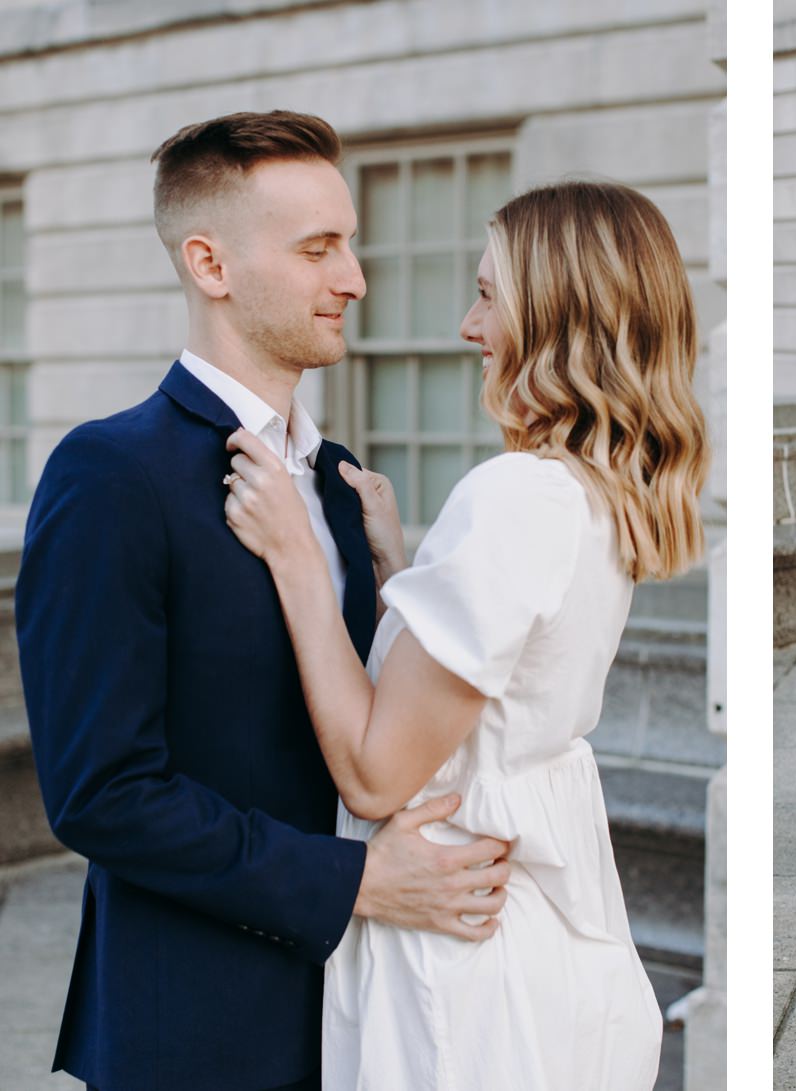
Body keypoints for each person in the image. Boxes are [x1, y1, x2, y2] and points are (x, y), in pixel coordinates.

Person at [15, 110, 511, 1091]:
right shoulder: (110, 475)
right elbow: (100, 792)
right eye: (319, 247)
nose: (355, 279)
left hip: (366, 1016)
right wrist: (358, 880)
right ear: (211, 263)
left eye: (352, 243)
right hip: (198, 1030)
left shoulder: (341, 482)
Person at [221, 179, 707, 1089]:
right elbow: (499, 693)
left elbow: (376, 769)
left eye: (489, 295)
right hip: (531, 938)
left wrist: (295, 554)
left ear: (557, 320)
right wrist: (403, 577)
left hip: (463, 962)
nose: (467, 326)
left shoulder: (516, 496)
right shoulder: (598, 494)